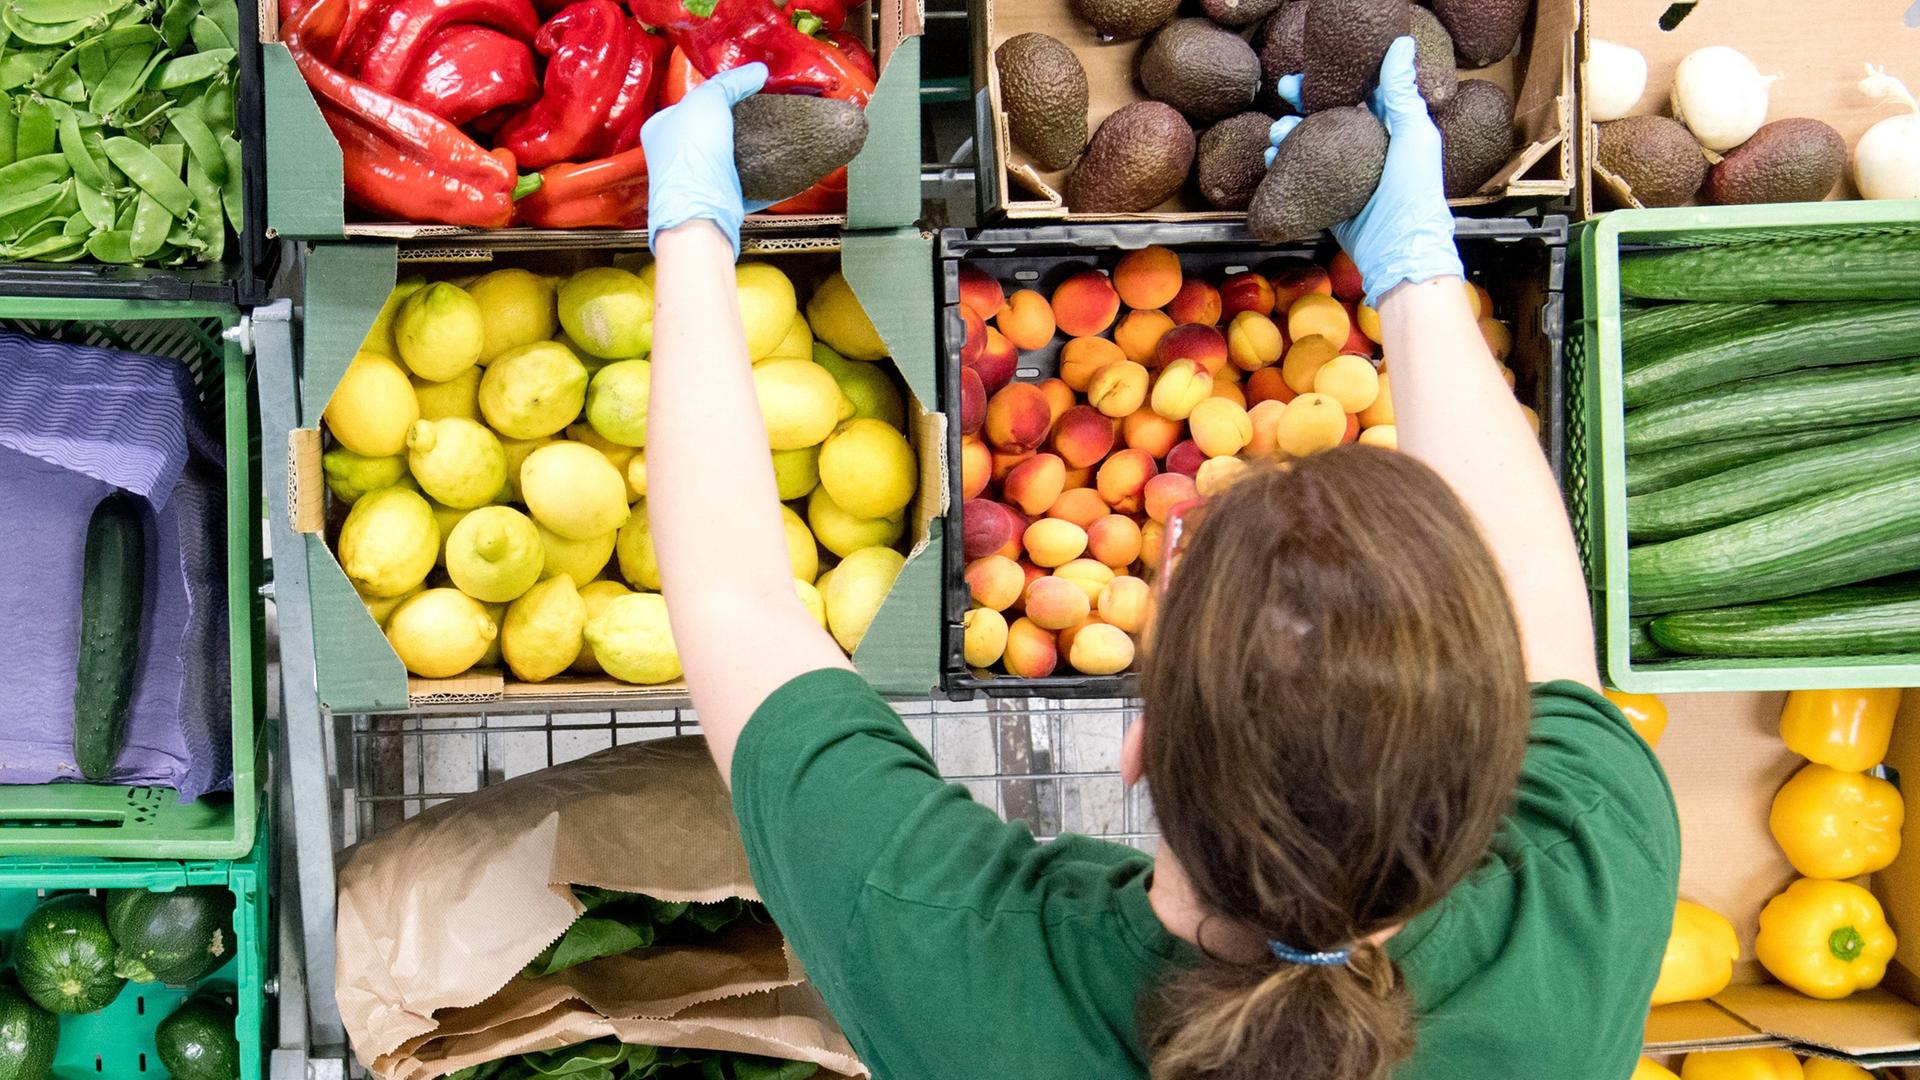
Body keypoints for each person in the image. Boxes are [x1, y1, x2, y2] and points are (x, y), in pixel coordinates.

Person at [639, 36, 1680, 1080]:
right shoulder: (1586, 885)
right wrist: (1416, 266)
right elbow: (1543, 616)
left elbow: (735, 601)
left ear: (1136, 749)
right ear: (1493, 759)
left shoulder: (951, 948)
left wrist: (691, 226)